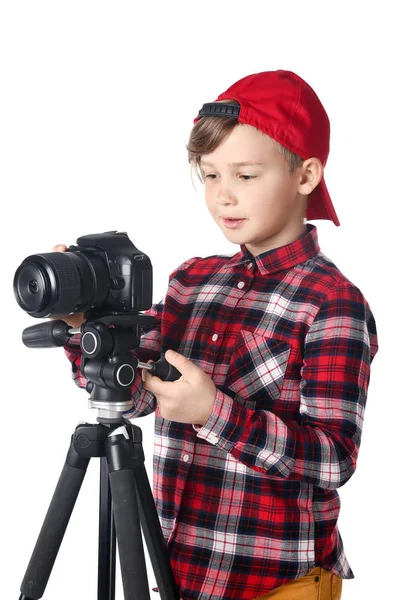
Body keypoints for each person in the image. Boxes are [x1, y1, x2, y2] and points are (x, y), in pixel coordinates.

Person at [57, 70, 378, 600]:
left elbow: (334, 458)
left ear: (305, 175)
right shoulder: (193, 280)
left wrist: (212, 412)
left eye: (245, 176)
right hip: (177, 573)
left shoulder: (332, 303)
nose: (223, 197)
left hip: (274, 585)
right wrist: (83, 329)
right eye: (209, 176)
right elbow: (135, 394)